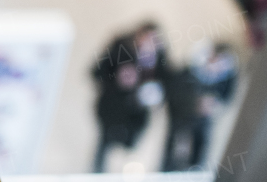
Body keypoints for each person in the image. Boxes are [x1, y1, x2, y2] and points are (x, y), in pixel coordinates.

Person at [91, 22, 168, 173]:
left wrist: (155, 92)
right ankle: (97, 171)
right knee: (105, 142)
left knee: (131, 145)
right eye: (146, 39)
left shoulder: (160, 56)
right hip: (113, 107)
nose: (149, 45)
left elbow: (165, 79)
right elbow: (97, 72)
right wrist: (119, 80)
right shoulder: (120, 48)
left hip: (138, 111)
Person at [162, 41, 239, 172]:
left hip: (204, 122)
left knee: (198, 156)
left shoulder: (227, 78)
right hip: (182, 120)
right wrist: (194, 103)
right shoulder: (191, 70)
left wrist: (214, 105)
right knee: (176, 155)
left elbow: (227, 98)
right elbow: (175, 93)